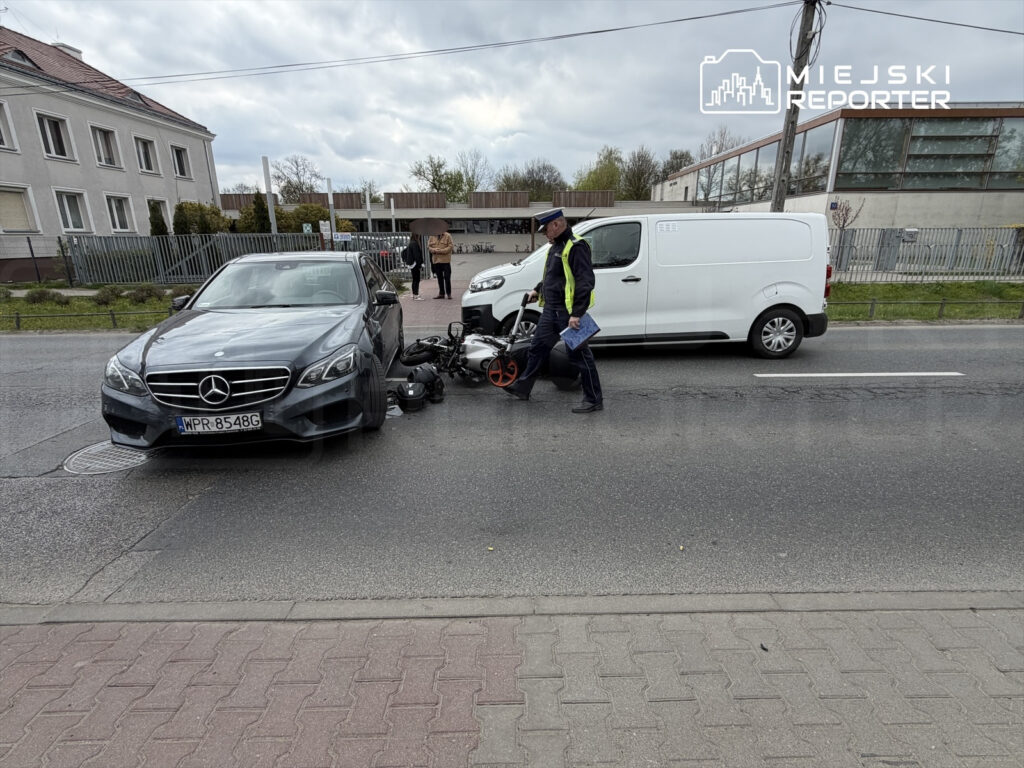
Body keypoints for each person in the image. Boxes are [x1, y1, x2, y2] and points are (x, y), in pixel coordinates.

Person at [504, 208, 603, 413]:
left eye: (546, 229)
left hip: (568, 314)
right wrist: (537, 290)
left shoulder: (576, 246)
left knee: (580, 357)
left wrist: (577, 313)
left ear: (556, 225)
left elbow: (585, 282)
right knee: (537, 348)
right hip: (551, 311)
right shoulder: (556, 246)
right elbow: (553, 277)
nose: (544, 234)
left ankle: (593, 399)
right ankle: (523, 388)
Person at [428, 224, 454, 299]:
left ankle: (449, 293)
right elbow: (428, 246)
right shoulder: (432, 236)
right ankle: (441, 293)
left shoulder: (448, 236)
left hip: (445, 260)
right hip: (436, 261)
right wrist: (433, 250)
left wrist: (442, 251)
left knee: (447, 278)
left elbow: (450, 246)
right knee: (439, 278)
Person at [402, 234, 425, 300]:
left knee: (414, 279)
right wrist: (420, 263)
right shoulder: (415, 243)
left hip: (412, 264)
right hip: (415, 264)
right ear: (417, 236)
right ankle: (416, 295)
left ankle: (414, 294)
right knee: (416, 279)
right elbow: (416, 255)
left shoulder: (411, 243)